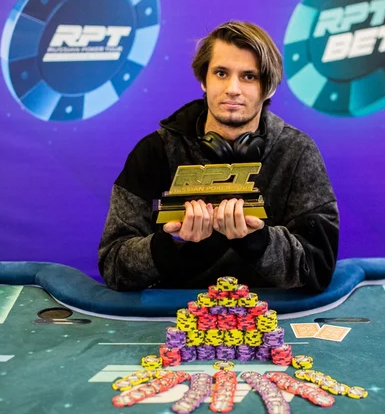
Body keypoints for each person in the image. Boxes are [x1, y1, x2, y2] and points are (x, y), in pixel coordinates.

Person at [98, 21, 339, 292]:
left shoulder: (297, 152)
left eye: (249, 76)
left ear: (269, 88)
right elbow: (113, 265)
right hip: (175, 310)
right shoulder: (155, 151)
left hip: (270, 310)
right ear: (204, 80)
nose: (233, 88)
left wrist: (258, 240)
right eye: (221, 73)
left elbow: (317, 268)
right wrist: (171, 243)